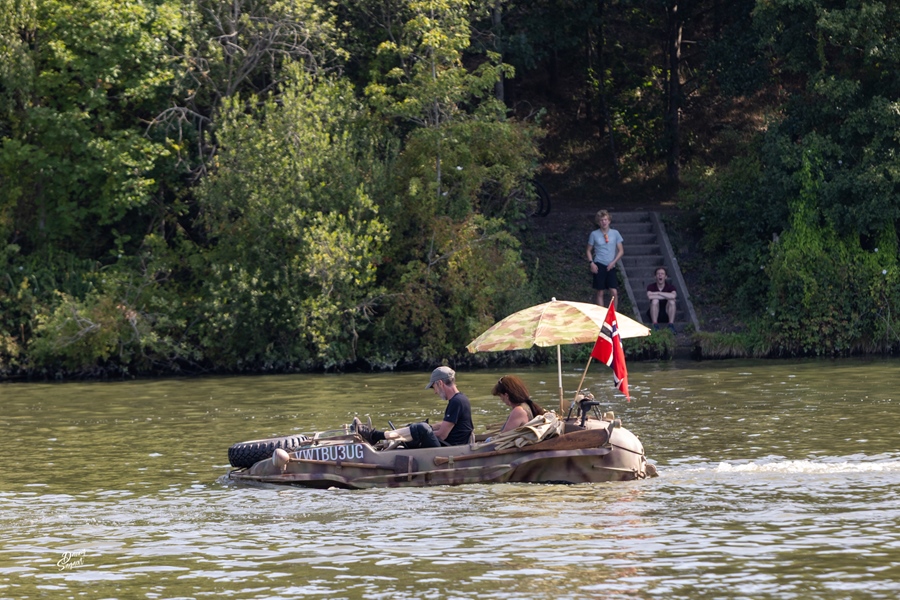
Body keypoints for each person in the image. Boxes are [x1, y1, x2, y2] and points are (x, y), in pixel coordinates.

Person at [356, 366, 474, 448]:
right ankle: (379, 435)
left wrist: (419, 433)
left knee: (421, 428)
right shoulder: (461, 399)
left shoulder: (456, 402)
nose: (435, 392)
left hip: (449, 449)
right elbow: (446, 424)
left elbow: (442, 435)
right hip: (450, 445)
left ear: (440, 383)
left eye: (434, 387)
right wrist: (425, 428)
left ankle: (375, 435)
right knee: (419, 427)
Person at [586, 209, 624, 306]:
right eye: (601, 220)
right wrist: (591, 263)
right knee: (600, 292)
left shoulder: (615, 233)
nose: (604, 222)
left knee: (614, 291)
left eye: (605, 220)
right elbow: (588, 250)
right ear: (598, 222)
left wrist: (613, 262)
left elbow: (621, 251)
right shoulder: (594, 234)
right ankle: (601, 313)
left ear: (609, 221)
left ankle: (613, 313)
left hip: (611, 265)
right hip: (599, 263)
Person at [646, 266, 677, 330]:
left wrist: (658, 293)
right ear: (655, 276)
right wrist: (667, 296)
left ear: (665, 277)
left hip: (666, 313)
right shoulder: (651, 287)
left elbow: (673, 296)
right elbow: (650, 296)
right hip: (654, 313)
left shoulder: (670, 287)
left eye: (662, 274)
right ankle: (655, 325)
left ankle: (671, 325)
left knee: (672, 302)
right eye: (658, 274)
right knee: (655, 301)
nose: (660, 275)